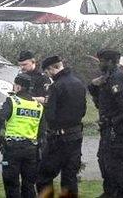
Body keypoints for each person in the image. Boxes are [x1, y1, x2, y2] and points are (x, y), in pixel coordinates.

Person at [37, 55, 86, 197]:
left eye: (47, 72)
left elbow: (50, 115)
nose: (48, 75)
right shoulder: (79, 83)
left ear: (53, 68)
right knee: (69, 177)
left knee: (44, 176)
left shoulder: (56, 86)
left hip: (58, 138)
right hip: (76, 135)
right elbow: (83, 110)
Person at [88, 48, 123, 198]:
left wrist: (117, 123)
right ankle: (109, 192)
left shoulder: (116, 78)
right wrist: (93, 85)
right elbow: (101, 100)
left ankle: (119, 193)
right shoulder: (107, 76)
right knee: (104, 160)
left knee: (116, 164)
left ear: (111, 62)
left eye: (102, 61)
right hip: (107, 128)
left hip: (116, 129)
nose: (99, 64)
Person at [0, 73, 44, 198]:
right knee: (29, 185)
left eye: (14, 85)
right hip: (31, 150)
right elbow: (41, 130)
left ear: (19, 87)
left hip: (12, 148)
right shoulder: (38, 106)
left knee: (11, 184)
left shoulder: (12, 101)